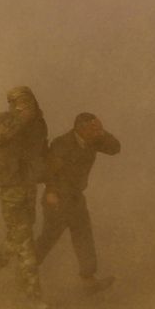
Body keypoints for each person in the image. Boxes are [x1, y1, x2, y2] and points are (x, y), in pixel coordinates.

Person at [35, 113, 121, 296]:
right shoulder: (62, 144)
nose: (97, 132)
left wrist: (102, 133)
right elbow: (50, 171)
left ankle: (88, 280)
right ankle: (26, 270)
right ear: (80, 129)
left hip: (76, 198)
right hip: (58, 198)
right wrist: (51, 192)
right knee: (48, 239)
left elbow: (115, 148)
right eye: (93, 129)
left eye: (99, 128)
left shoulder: (94, 140)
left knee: (83, 238)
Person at [0, 86, 49, 308]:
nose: (24, 105)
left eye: (28, 101)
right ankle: (32, 294)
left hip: (29, 185)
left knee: (18, 237)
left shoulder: (39, 124)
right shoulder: (2, 121)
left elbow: (42, 152)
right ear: (11, 104)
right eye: (19, 102)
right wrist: (21, 120)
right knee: (25, 240)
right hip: (10, 187)